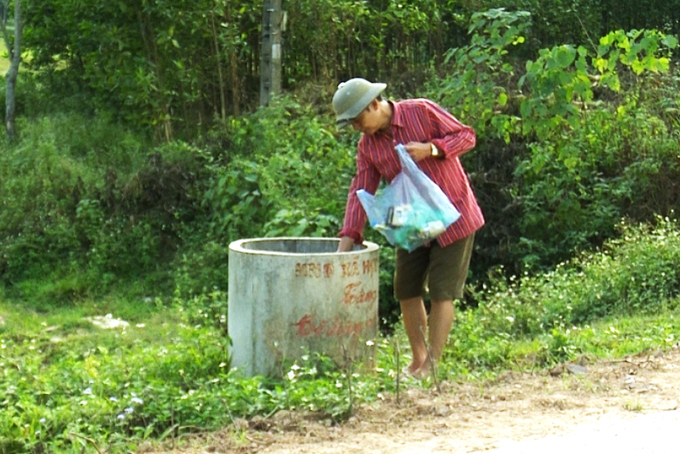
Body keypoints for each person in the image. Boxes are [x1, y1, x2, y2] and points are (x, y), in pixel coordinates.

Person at [333, 78, 485, 378]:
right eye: (350, 123)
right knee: (406, 288)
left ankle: (433, 365)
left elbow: (466, 136)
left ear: (374, 104)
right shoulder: (368, 146)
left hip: (454, 215)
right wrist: (348, 239)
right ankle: (419, 359)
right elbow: (360, 190)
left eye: (357, 119)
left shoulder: (421, 111)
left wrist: (432, 149)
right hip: (412, 224)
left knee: (442, 292)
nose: (356, 128)